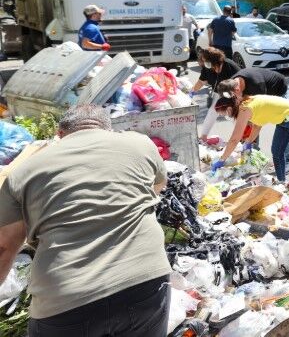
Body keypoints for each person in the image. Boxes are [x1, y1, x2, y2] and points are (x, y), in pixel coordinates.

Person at [0, 105, 170, 337]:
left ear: (59, 134)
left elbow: (5, 246)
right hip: (146, 284)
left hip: (66, 300)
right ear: (108, 129)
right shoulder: (140, 144)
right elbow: (156, 188)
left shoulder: (23, 172)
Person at [213, 94, 289, 182]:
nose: (224, 116)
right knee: (277, 152)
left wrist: (222, 160)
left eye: (223, 114)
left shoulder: (245, 109)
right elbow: (257, 126)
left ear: (229, 109)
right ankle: (281, 182)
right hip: (283, 120)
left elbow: (234, 139)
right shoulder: (244, 105)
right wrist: (248, 142)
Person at [189, 47, 240, 142]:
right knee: (212, 111)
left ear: (213, 60)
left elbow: (240, 81)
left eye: (205, 60)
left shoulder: (229, 65)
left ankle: (241, 137)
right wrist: (192, 91)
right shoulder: (207, 68)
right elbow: (201, 82)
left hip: (233, 93)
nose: (204, 63)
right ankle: (203, 136)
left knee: (234, 115)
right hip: (218, 92)